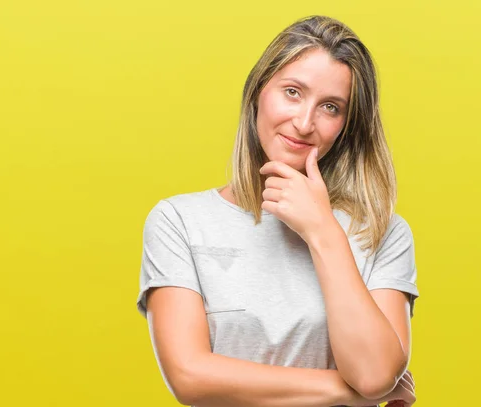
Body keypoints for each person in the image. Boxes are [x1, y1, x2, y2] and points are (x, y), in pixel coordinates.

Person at [136, 15, 419, 407]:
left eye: (331, 107)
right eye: (292, 92)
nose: (304, 123)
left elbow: (373, 374)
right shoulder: (180, 222)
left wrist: (322, 230)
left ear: (347, 126)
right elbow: (189, 376)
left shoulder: (383, 233)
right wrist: (344, 392)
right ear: (257, 92)